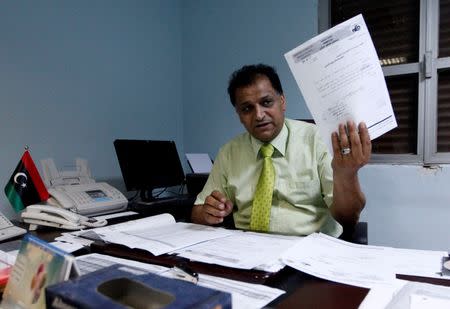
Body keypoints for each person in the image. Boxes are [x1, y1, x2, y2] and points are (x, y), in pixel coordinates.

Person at [191, 64, 371, 237]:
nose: (259, 115)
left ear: (282, 101)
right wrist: (209, 212)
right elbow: (197, 212)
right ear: (239, 115)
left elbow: (348, 218)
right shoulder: (229, 152)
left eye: (267, 102)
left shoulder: (317, 140)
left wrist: (347, 175)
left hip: (308, 249)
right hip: (247, 250)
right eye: (247, 109)